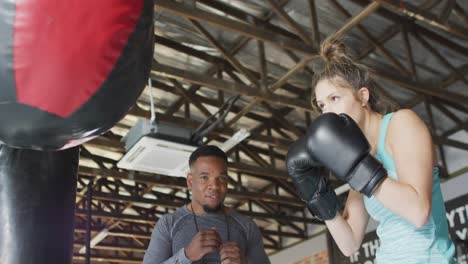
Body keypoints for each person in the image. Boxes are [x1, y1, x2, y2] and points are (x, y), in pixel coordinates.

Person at [286, 37, 455, 264]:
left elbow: (418, 211)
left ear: (363, 96)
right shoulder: (362, 155)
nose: (328, 113)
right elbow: (349, 244)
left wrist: (357, 168)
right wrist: (316, 195)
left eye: (334, 98)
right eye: (322, 105)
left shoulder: (401, 123)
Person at [143, 145, 270, 264]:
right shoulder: (168, 225)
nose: (214, 186)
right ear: (190, 182)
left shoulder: (246, 227)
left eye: (221, 178)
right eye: (204, 177)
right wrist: (186, 256)